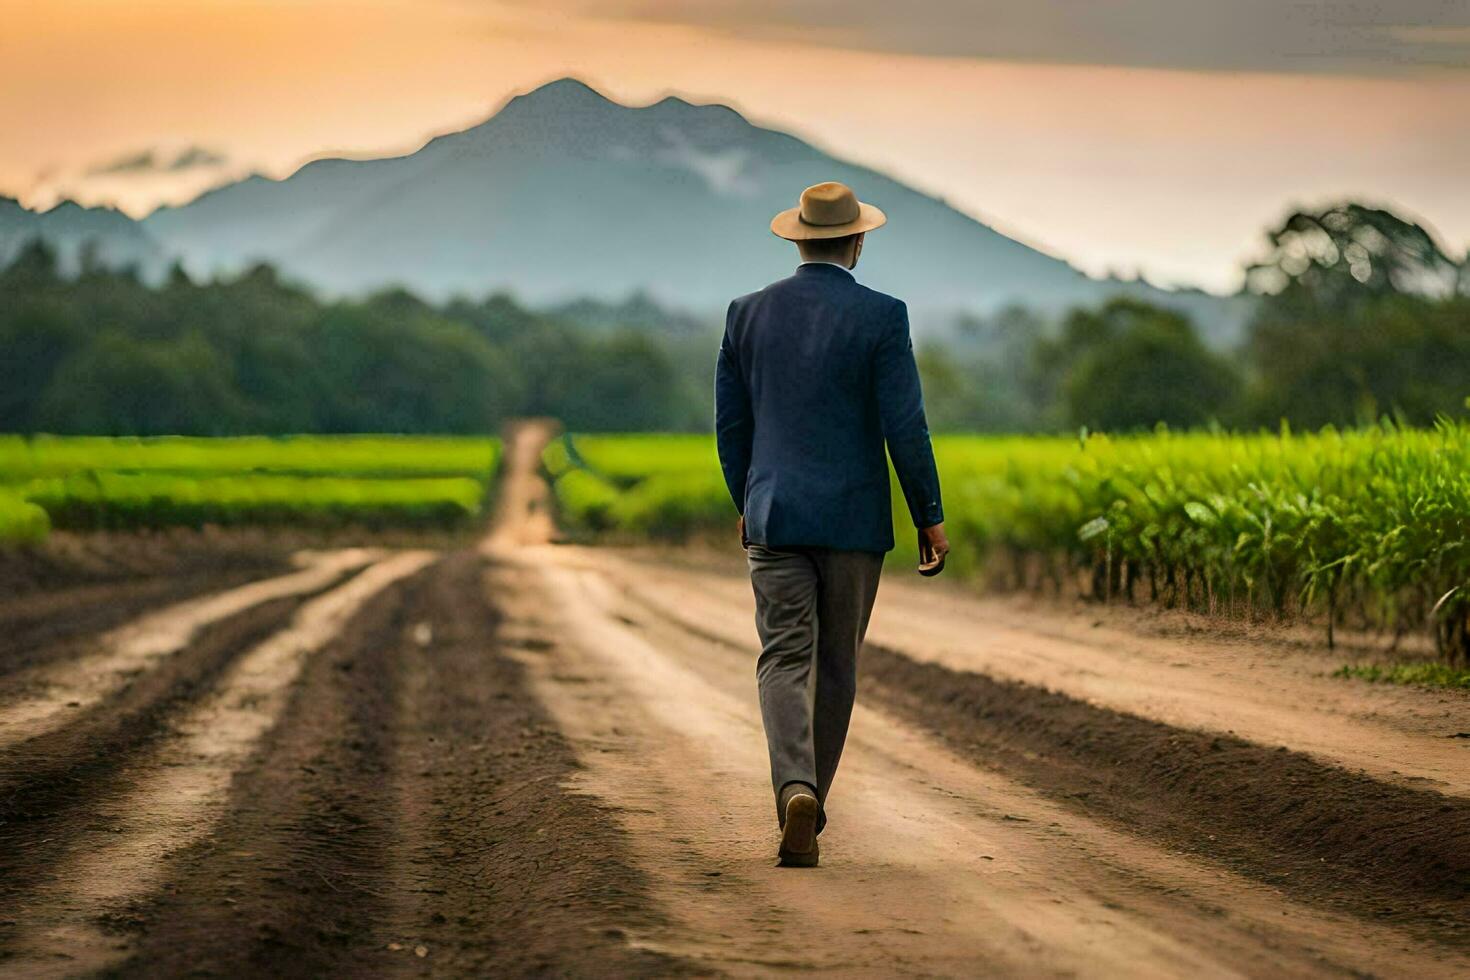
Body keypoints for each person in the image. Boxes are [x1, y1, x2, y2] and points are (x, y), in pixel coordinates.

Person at [715, 180, 949, 867]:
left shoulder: (745, 313)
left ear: (797, 238)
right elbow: (905, 425)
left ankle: (793, 786)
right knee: (838, 665)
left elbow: (733, 429)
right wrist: (927, 516)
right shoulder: (883, 315)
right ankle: (812, 799)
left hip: (775, 515)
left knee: (783, 657)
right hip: (854, 520)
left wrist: (748, 501)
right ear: (858, 239)